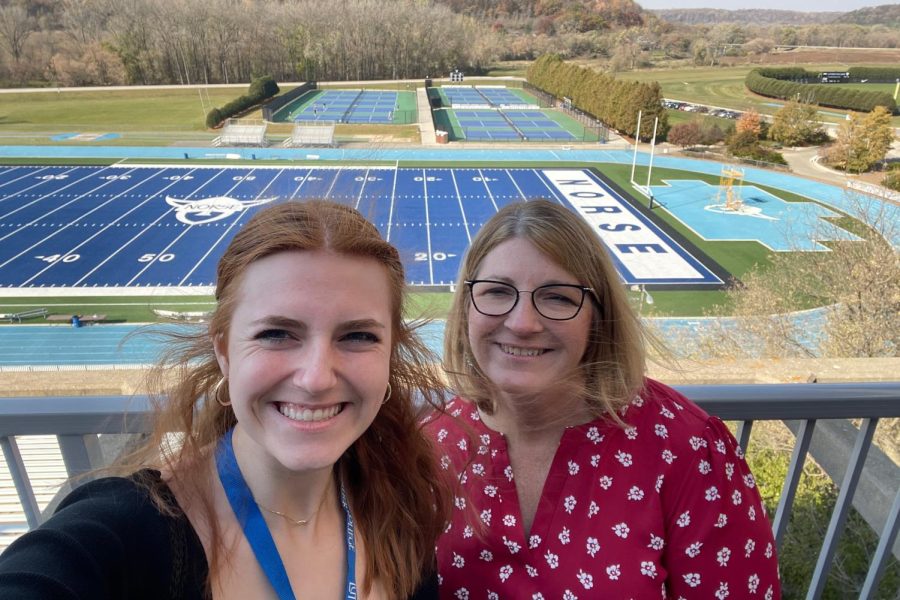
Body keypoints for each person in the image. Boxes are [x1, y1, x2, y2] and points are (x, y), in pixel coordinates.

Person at [0, 201, 451, 599]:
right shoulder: (124, 530)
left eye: (357, 336)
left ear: (390, 354)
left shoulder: (401, 507)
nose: (316, 378)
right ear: (223, 350)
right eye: (276, 334)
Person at [427, 199, 781, 598]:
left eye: (557, 297)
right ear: (466, 309)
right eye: (496, 291)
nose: (522, 322)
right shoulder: (431, 446)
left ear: (598, 315)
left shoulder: (687, 448)